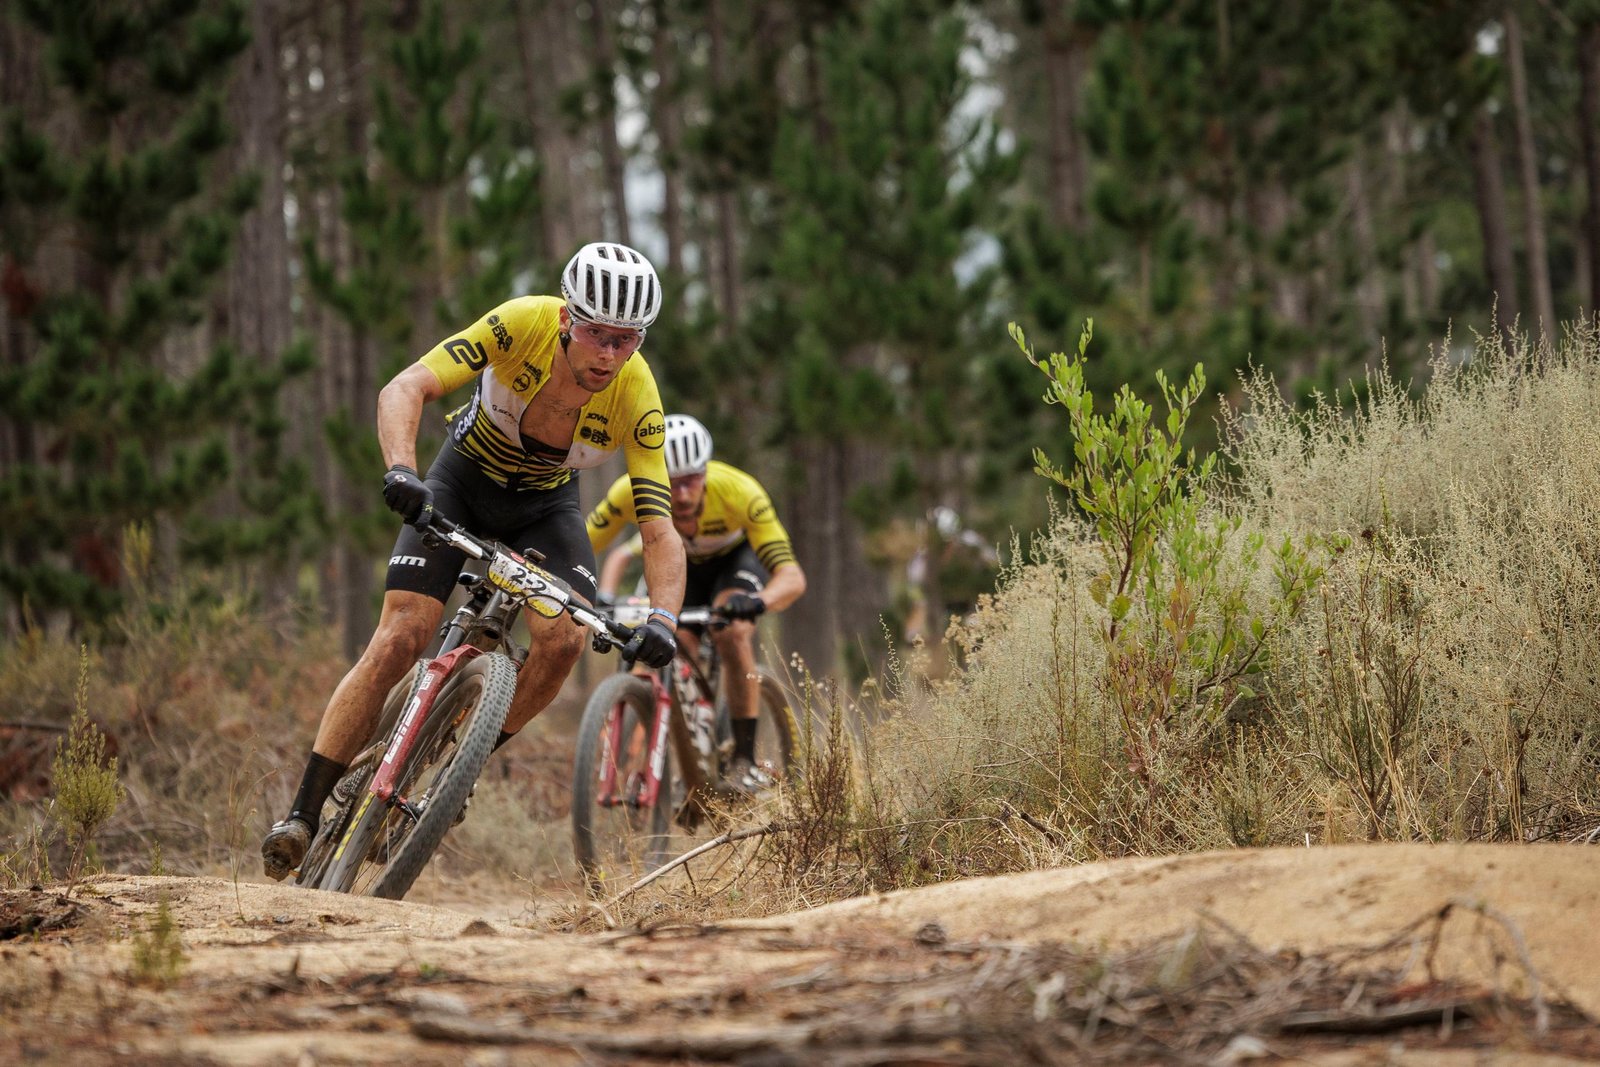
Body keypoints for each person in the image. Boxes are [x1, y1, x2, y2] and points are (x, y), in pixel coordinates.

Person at [262, 242, 687, 880]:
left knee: (566, 639)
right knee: (400, 637)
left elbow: (658, 529)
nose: (609, 354)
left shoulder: (638, 394)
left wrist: (664, 619)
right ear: (569, 318)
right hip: (463, 482)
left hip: (546, 510)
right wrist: (402, 471)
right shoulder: (521, 324)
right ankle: (303, 812)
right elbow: (407, 386)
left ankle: (460, 771)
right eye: (597, 334)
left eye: (626, 340)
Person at [587, 414, 806, 793]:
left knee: (731, 632)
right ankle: (688, 757)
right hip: (682, 569)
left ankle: (744, 759)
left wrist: (757, 602)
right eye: (671, 484)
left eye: (691, 480)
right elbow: (583, 543)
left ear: (706, 472)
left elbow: (792, 577)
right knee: (672, 647)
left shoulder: (741, 492)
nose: (682, 495)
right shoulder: (628, 492)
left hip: (732, 566)